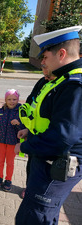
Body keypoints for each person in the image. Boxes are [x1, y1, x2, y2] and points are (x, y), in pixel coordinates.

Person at [14, 26, 82, 224]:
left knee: (36, 216)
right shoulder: (61, 80)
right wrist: (30, 131)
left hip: (56, 164)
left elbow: (62, 137)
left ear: (61, 54)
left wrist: (25, 146)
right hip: (46, 158)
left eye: (44, 56)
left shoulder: (74, 86)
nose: (41, 62)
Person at [20, 65, 57, 199]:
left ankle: (40, 193)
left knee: (46, 169)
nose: (46, 78)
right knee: (31, 164)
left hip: (50, 140)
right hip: (34, 135)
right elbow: (31, 101)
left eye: (49, 76)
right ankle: (29, 187)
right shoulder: (42, 82)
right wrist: (28, 130)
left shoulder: (64, 87)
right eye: (44, 75)